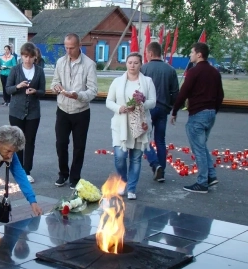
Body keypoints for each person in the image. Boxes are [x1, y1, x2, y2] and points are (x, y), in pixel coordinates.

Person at [171, 42, 224, 193]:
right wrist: (214, 109)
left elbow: (184, 92)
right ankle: (211, 176)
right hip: (210, 113)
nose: (190, 55)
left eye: (192, 52)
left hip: (198, 114)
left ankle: (202, 183)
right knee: (202, 146)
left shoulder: (194, 72)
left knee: (198, 149)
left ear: (199, 54)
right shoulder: (214, 72)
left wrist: (174, 110)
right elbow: (220, 95)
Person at [106, 52, 156, 200]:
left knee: (136, 157)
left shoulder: (147, 81)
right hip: (121, 123)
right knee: (120, 156)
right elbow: (109, 101)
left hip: (139, 124)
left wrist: (141, 103)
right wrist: (119, 108)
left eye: (136, 63)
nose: (132, 65)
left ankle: (132, 188)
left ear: (141, 64)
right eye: (130, 62)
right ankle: (123, 181)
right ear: (126, 64)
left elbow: (153, 101)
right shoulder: (117, 82)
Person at [51, 33, 98, 189]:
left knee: (79, 147)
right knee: (61, 144)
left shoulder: (89, 64)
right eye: (66, 47)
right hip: (63, 109)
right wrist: (56, 87)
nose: (68, 51)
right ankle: (63, 174)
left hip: (81, 111)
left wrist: (78, 95)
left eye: (71, 48)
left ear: (79, 46)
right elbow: (54, 82)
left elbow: (93, 91)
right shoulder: (60, 62)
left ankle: (75, 177)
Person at [6, 42, 46, 183]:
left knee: (30, 142)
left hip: (33, 112)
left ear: (35, 57)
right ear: (21, 56)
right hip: (16, 111)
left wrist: (35, 91)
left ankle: (27, 170)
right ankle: (18, 170)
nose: (27, 59)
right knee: (17, 141)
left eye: (30, 57)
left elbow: (43, 91)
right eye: (24, 56)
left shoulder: (40, 71)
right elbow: (7, 89)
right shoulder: (15, 70)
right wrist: (18, 86)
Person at [141, 42, 179, 182]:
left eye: (146, 53)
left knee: (144, 139)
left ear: (150, 53)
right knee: (160, 140)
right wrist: (170, 107)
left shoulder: (144, 69)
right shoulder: (170, 70)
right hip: (163, 109)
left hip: (147, 109)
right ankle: (161, 172)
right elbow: (175, 93)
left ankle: (155, 164)